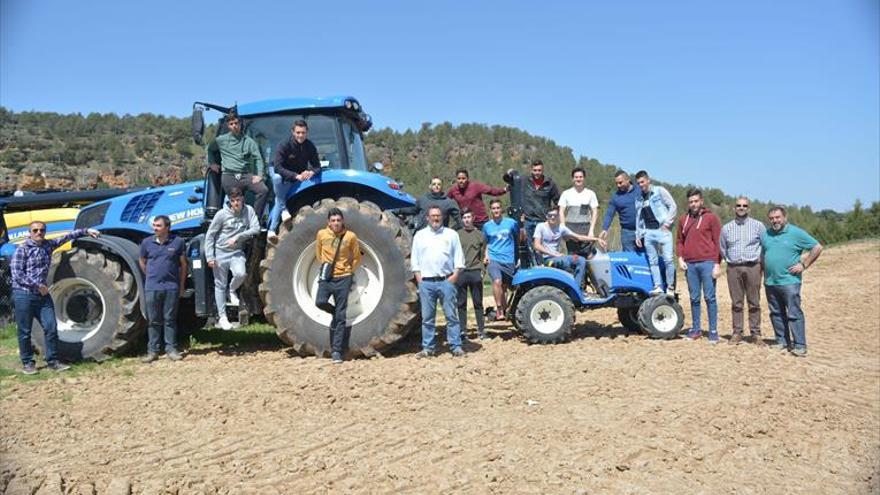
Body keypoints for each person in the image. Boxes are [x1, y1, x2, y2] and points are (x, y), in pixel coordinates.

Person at [11, 222, 99, 374]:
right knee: (25, 331)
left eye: (42, 230)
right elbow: (17, 274)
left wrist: (86, 230)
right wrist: (37, 285)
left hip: (42, 296)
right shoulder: (22, 249)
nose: (39, 232)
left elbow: (66, 237)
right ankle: (28, 363)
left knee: (51, 327)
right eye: (35, 230)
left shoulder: (48, 245)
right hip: (24, 295)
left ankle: (53, 361)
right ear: (30, 232)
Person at [761, 206, 822, 357]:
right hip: (770, 282)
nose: (775, 221)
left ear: (784, 217)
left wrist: (803, 265)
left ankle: (800, 345)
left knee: (794, 313)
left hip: (789, 282)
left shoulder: (795, 233)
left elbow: (817, 247)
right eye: (772, 218)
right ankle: (781, 341)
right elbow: (764, 253)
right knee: (776, 313)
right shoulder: (766, 234)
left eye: (777, 217)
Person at [411, 206, 466, 358]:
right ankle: (428, 348)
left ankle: (455, 346)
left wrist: (454, 276)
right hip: (426, 283)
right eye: (433, 216)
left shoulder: (451, 234)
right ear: (427, 218)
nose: (436, 218)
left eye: (438, 216)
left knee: (451, 316)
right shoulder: (419, 236)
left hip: (446, 281)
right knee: (427, 318)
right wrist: (419, 279)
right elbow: (414, 260)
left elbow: (459, 258)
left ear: (442, 217)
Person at [204, 188, 260, 331]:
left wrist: (238, 237)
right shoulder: (221, 215)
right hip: (221, 253)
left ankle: (232, 289)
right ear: (230, 201)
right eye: (233, 201)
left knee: (241, 274)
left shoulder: (249, 211)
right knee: (219, 285)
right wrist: (210, 256)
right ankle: (222, 317)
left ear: (243, 199)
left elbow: (256, 229)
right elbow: (210, 235)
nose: (236, 203)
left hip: (236, 252)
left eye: (238, 200)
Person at [315, 208, 361, 364]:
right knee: (320, 302)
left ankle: (336, 351)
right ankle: (335, 312)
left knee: (341, 318)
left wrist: (348, 271)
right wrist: (326, 268)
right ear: (328, 222)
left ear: (342, 221)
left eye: (338, 220)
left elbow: (356, 257)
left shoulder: (350, 236)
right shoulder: (321, 234)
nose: (336, 223)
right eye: (333, 220)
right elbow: (319, 253)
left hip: (344, 278)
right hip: (326, 277)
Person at [676, 189, 723, 343]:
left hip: (707, 263)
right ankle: (696, 329)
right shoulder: (683, 220)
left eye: (696, 201)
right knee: (694, 298)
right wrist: (680, 257)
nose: (693, 204)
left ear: (701, 201)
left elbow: (718, 242)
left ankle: (713, 331)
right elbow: (679, 241)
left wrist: (717, 263)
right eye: (691, 202)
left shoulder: (711, 218)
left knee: (710, 297)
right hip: (690, 264)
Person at [138, 215, 186, 362]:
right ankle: (152, 351)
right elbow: (142, 261)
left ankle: (171, 349)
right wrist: (151, 276)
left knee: (170, 319)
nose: (155, 228)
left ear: (167, 227)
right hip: (152, 288)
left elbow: (183, 265)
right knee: (153, 320)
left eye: (158, 226)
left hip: (171, 287)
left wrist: (181, 286)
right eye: (154, 225)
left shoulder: (178, 242)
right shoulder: (146, 243)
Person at [206, 109, 269, 220]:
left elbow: (258, 158)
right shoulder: (221, 140)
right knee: (236, 202)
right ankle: (233, 225)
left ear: (240, 124)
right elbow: (210, 149)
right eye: (231, 124)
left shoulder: (248, 141)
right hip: (229, 175)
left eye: (236, 123)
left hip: (244, 175)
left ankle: (255, 220)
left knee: (263, 190)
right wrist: (212, 163)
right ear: (228, 125)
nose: (234, 126)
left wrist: (259, 175)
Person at [720, 197, 766, 345]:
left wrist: (762, 265)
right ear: (734, 208)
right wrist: (729, 260)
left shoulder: (758, 226)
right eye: (738, 205)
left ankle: (756, 333)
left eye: (744, 205)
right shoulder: (726, 228)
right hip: (734, 268)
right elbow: (722, 248)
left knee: (754, 302)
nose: (741, 208)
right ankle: (737, 332)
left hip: (753, 267)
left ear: (749, 208)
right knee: (736, 303)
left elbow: (765, 246)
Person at [268, 119, 320, 243]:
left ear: (307, 132)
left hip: (295, 172)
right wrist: (296, 176)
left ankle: (271, 230)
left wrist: (311, 172)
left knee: (279, 198)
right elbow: (278, 167)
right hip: (279, 170)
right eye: (298, 132)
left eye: (303, 132)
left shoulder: (309, 146)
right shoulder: (284, 144)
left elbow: (317, 166)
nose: (300, 135)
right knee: (277, 179)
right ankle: (284, 209)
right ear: (293, 132)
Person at [533, 206, 604, 290]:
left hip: (560, 257)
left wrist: (596, 239)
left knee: (580, 260)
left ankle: (576, 288)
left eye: (555, 215)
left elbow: (578, 237)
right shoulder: (540, 227)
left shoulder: (561, 228)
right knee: (566, 262)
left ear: (558, 216)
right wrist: (553, 254)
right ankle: (568, 287)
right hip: (547, 258)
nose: (552, 217)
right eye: (550, 215)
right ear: (546, 216)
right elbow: (537, 246)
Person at [503, 160, 561, 263]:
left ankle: (544, 270)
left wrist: (555, 217)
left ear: (543, 170)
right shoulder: (524, 180)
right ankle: (533, 270)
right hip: (528, 220)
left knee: (543, 249)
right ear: (531, 170)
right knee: (528, 248)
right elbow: (509, 179)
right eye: (535, 170)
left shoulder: (549, 183)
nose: (537, 172)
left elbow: (558, 201)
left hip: (543, 221)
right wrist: (510, 172)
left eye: (539, 170)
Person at [634, 170, 678, 295]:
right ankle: (658, 286)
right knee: (653, 261)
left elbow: (673, 206)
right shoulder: (639, 198)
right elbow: (638, 217)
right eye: (638, 183)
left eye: (642, 182)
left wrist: (667, 223)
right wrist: (638, 234)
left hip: (663, 230)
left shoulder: (659, 191)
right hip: (648, 232)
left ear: (648, 180)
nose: (641, 185)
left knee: (668, 260)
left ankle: (670, 287)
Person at [482, 199, 520, 322]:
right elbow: (486, 243)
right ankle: (499, 309)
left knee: (505, 288)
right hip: (494, 259)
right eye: (493, 208)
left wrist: (517, 257)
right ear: (490, 210)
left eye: (498, 208)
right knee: (497, 281)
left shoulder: (511, 223)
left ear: (501, 209)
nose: (496, 210)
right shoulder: (487, 226)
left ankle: (505, 310)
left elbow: (517, 238)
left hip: (509, 259)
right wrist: (486, 256)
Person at [456, 209, 487, 340]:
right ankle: (463, 331)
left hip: (475, 271)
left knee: (478, 303)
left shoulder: (480, 235)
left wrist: (482, 271)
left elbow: (483, 254)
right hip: (461, 272)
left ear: (473, 218)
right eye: (464, 217)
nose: (467, 220)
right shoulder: (456, 235)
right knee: (461, 303)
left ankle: (481, 331)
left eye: (469, 217)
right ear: (462, 219)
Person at [558, 167, 600, 256]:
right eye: (576, 177)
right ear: (573, 179)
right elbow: (561, 211)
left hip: (585, 227)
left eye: (580, 177)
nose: (578, 179)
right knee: (572, 255)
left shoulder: (590, 194)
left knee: (588, 255)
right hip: (570, 227)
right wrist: (563, 229)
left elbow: (595, 212)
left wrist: (591, 230)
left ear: (584, 178)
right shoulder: (566, 193)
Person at [600, 170, 641, 252]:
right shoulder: (616, 197)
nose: (618, 185)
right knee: (629, 260)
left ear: (628, 180)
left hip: (643, 231)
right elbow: (609, 214)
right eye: (616, 183)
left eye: (620, 182)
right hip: (627, 233)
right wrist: (605, 228)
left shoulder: (640, 190)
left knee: (646, 259)